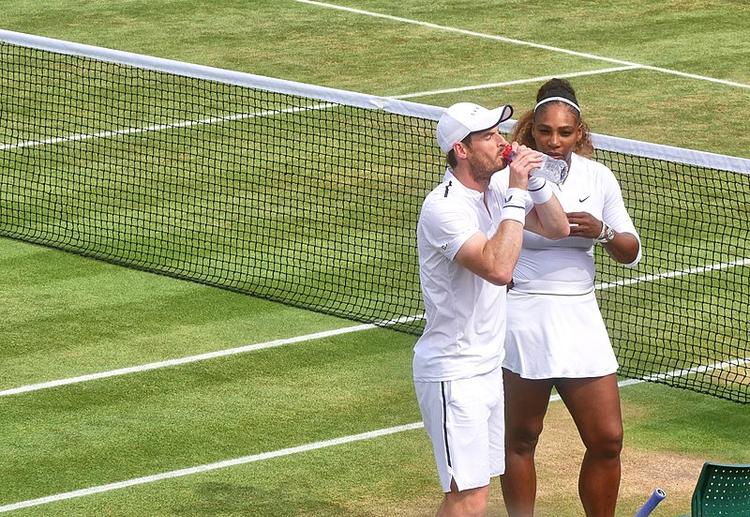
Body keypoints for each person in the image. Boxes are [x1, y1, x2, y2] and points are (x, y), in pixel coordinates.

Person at [414, 101, 570, 516]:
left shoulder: (499, 190)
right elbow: (499, 269)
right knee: (467, 499)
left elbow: (558, 228)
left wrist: (531, 182)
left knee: (473, 495)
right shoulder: (443, 207)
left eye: (499, 133)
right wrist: (517, 191)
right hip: (453, 370)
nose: (502, 142)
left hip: (486, 367)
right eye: (488, 137)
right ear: (461, 150)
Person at [500, 79, 642, 517]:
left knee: (607, 439)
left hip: (580, 316)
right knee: (521, 438)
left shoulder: (598, 177)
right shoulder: (509, 178)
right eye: (545, 131)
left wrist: (601, 231)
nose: (555, 141)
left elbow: (630, 251)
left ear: (579, 132)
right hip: (523, 315)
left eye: (564, 132)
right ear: (532, 130)